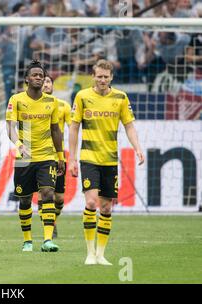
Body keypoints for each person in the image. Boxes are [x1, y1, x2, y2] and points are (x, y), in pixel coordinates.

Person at [68, 59, 145, 265]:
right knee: (91, 202)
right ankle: (89, 253)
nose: (102, 80)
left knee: (107, 208)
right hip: (89, 158)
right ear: (93, 76)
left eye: (105, 76)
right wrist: (72, 158)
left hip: (110, 159)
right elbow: (74, 127)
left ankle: (101, 255)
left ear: (111, 77)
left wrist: (137, 147)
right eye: (99, 76)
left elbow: (129, 126)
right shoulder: (83, 96)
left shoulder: (120, 97)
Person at [6, 60, 65, 253]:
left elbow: (56, 130)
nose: (39, 78)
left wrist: (61, 156)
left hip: (47, 156)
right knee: (24, 200)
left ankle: (47, 240)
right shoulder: (16, 100)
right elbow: (11, 128)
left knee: (48, 193)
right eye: (35, 75)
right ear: (27, 79)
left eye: (41, 75)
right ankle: (27, 241)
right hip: (24, 156)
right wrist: (19, 145)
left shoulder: (52, 102)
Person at [38, 74, 72, 239]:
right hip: (40, 155)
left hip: (58, 157)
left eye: (48, 81)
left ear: (52, 85)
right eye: (43, 81)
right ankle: (48, 229)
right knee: (45, 193)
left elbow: (73, 127)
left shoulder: (63, 106)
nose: (45, 84)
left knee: (58, 198)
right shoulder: (32, 105)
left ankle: (53, 220)